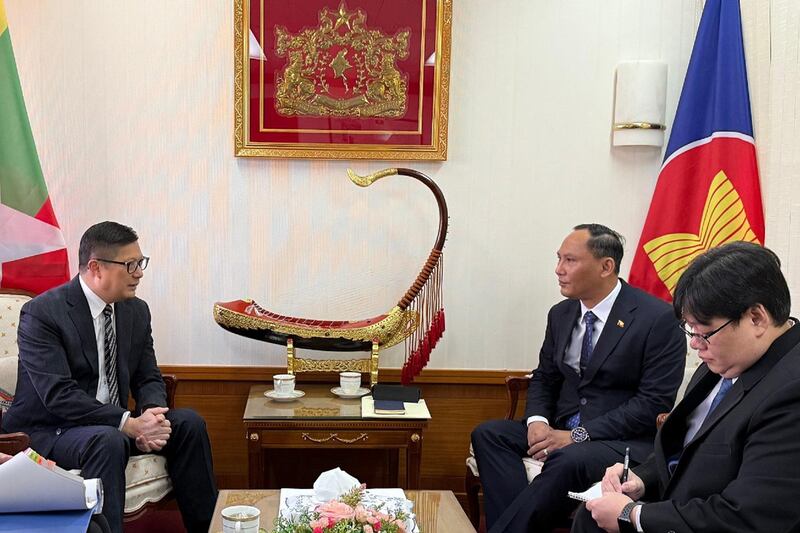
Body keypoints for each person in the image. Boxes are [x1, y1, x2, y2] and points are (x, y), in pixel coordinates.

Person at [2, 221, 217, 533]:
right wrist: (127, 423)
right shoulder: (43, 313)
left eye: (141, 263)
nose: (139, 273)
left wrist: (151, 417)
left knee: (188, 424)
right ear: (96, 268)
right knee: (108, 440)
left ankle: (207, 529)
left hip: (113, 426)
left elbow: (148, 377)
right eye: (130, 265)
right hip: (51, 430)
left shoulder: (136, 311)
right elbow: (58, 395)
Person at [471, 224, 686, 532]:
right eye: (558, 258)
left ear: (605, 267)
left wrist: (577, 435)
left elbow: (652, 403)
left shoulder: (657, 318)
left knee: (568, 459)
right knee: (490, 434)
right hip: (560, 426)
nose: (558, 269)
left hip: (618, 441)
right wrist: (537, 422)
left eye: (570, 260)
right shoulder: (561, 314)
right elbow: (545, 377)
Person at [576, 241, 800, 533]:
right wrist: (642, 478)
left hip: (713, 521)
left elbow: (749, 516)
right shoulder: (725, 359)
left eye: (704, 331)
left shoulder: (790, 390)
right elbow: (686, 449)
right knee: (589, 515)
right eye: (690, 329)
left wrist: (633, 515)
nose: (694, 344)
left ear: (756, 318)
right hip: (681, 508)